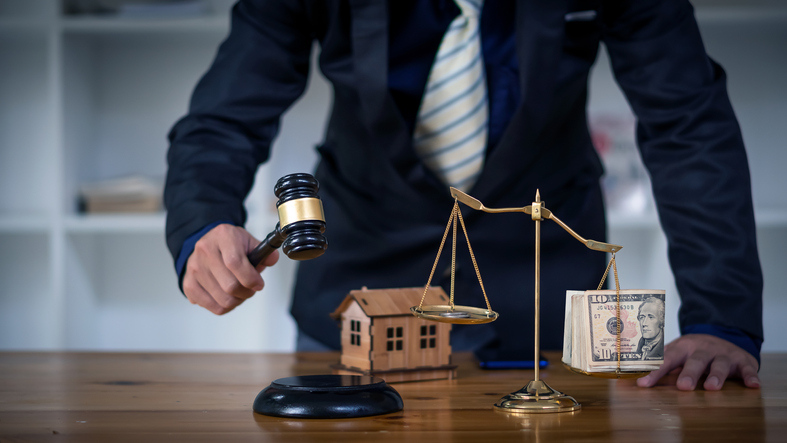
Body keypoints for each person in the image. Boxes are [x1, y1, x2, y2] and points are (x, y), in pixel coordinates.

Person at [164, 0, 763, 391]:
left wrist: (722, 321)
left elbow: (689, 125)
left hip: (545, 305)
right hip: (363, 295)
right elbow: (223, 120)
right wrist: (203, 224)